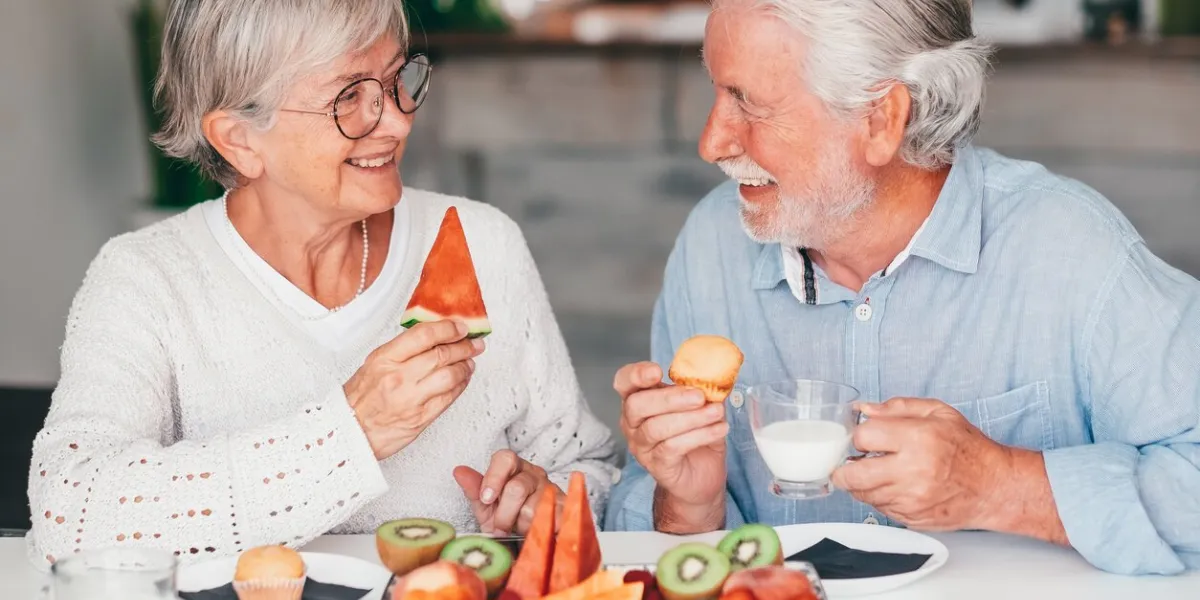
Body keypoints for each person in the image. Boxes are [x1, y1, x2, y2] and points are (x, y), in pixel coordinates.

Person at [603, 0, 1200, 577]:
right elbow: (659, 535)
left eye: (747, 103)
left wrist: (1003, 486)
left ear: (882, 119)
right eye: (717, 90)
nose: (712, 142)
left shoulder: (1068, 250)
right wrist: (688, 505)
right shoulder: (713, 245)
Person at [26, 0, 617, 567]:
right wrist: (351, 434)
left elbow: (589, 469)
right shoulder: (146, 278)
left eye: (396, 80)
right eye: (348, 97)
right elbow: (68, 515)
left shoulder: (485, 242)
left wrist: (548, 502)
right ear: (239, 139)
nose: (396, 119)